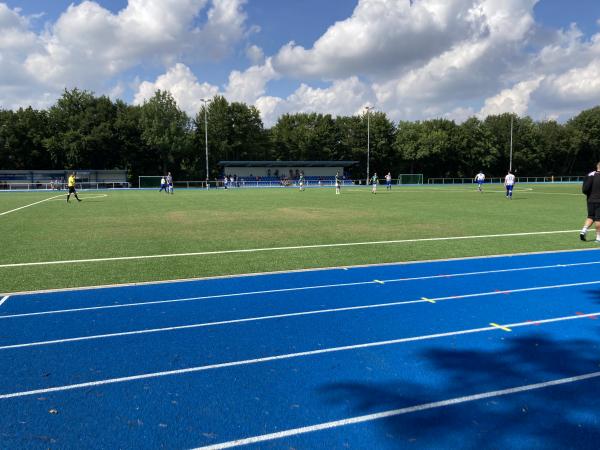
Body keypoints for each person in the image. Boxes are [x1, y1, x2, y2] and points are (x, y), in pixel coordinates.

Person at [580, 162, 600, 242]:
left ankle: (583, 231)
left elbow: (585, 189)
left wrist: (589, 195)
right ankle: (598, 238)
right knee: (598, 219)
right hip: (599, 201)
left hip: (590, 200)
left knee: (591, 216)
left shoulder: (590, 174)